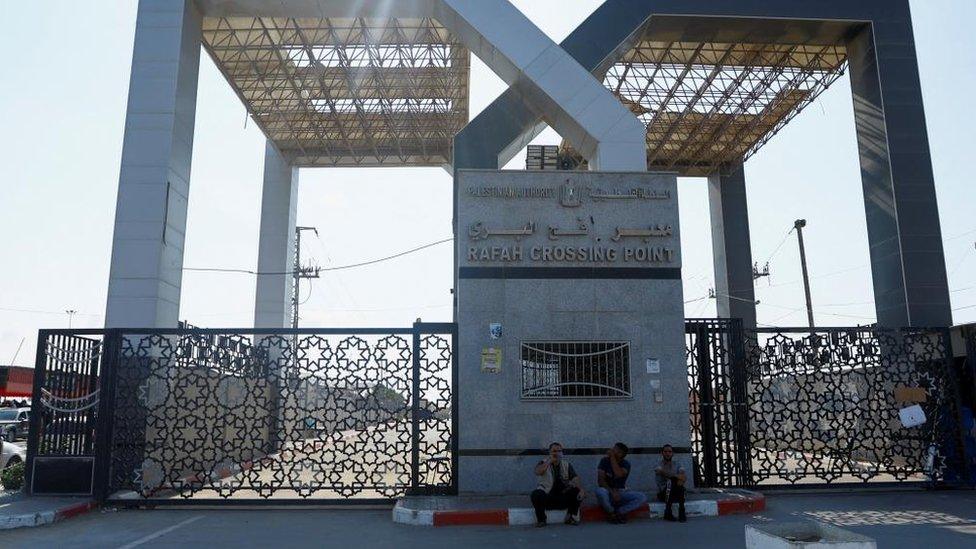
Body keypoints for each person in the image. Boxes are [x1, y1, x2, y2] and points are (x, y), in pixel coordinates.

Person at [530, 442, 585, 527]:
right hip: (547, 496)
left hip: (562, 497)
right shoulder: (544, 462)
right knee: (536, 494)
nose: (557, 453)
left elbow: (575, 478)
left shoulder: (566, 464)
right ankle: (541, 520)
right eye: (554, 451)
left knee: (577, 491)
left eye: (559, 451)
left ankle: (570, 517)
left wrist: (581, 489)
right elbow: (537, 471)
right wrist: (549, 461)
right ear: (550, 452)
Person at [595, 442, 648, 524]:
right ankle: (611, 512)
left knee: (642, 497)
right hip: (607, 492)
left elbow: (618, 474)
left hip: (621, 493)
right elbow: (600, 481)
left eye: (615, 449)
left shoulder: (626, 464)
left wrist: (612, 457)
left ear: (620, 454)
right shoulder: (604, 461)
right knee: (599, 491)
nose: (612, 450)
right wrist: (612, 492)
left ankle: (620, 512)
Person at [655, 444, 687, 522]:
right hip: (663, 494)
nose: (667, 453)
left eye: (669, 451)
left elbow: (683, 477)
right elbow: (661, 472)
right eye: (665, 451)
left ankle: (678, 511)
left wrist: (676, 477)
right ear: (662, 453)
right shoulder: (658, 464)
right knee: (672, 481)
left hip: (676, 493)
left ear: (673, 453)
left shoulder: (677, 464)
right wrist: (676, 476)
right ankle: (674, 511)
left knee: (678, 483)